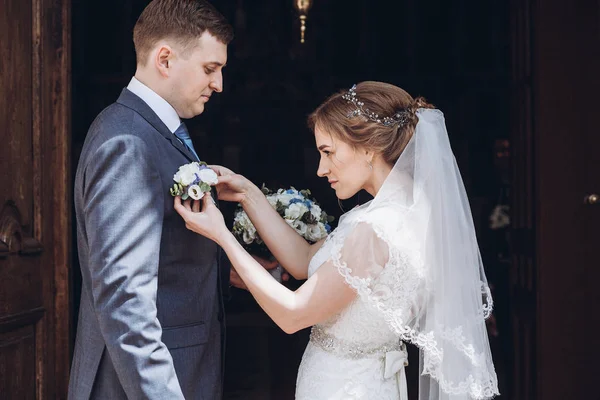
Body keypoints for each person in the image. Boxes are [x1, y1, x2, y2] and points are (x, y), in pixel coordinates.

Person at [175, 81, 499, 399]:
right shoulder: (404, 212)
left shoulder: (375, 228)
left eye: (328, 152)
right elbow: (304, 261)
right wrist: (248, 194)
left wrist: (221, 235)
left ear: (369, 147)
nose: (320, 169)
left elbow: (293, 314)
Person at [69, 1, 234, 399]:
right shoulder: (128, 143)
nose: (219, 85)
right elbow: (125, 302)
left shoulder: (151, 131)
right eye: (210, 69)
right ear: (165, 58)